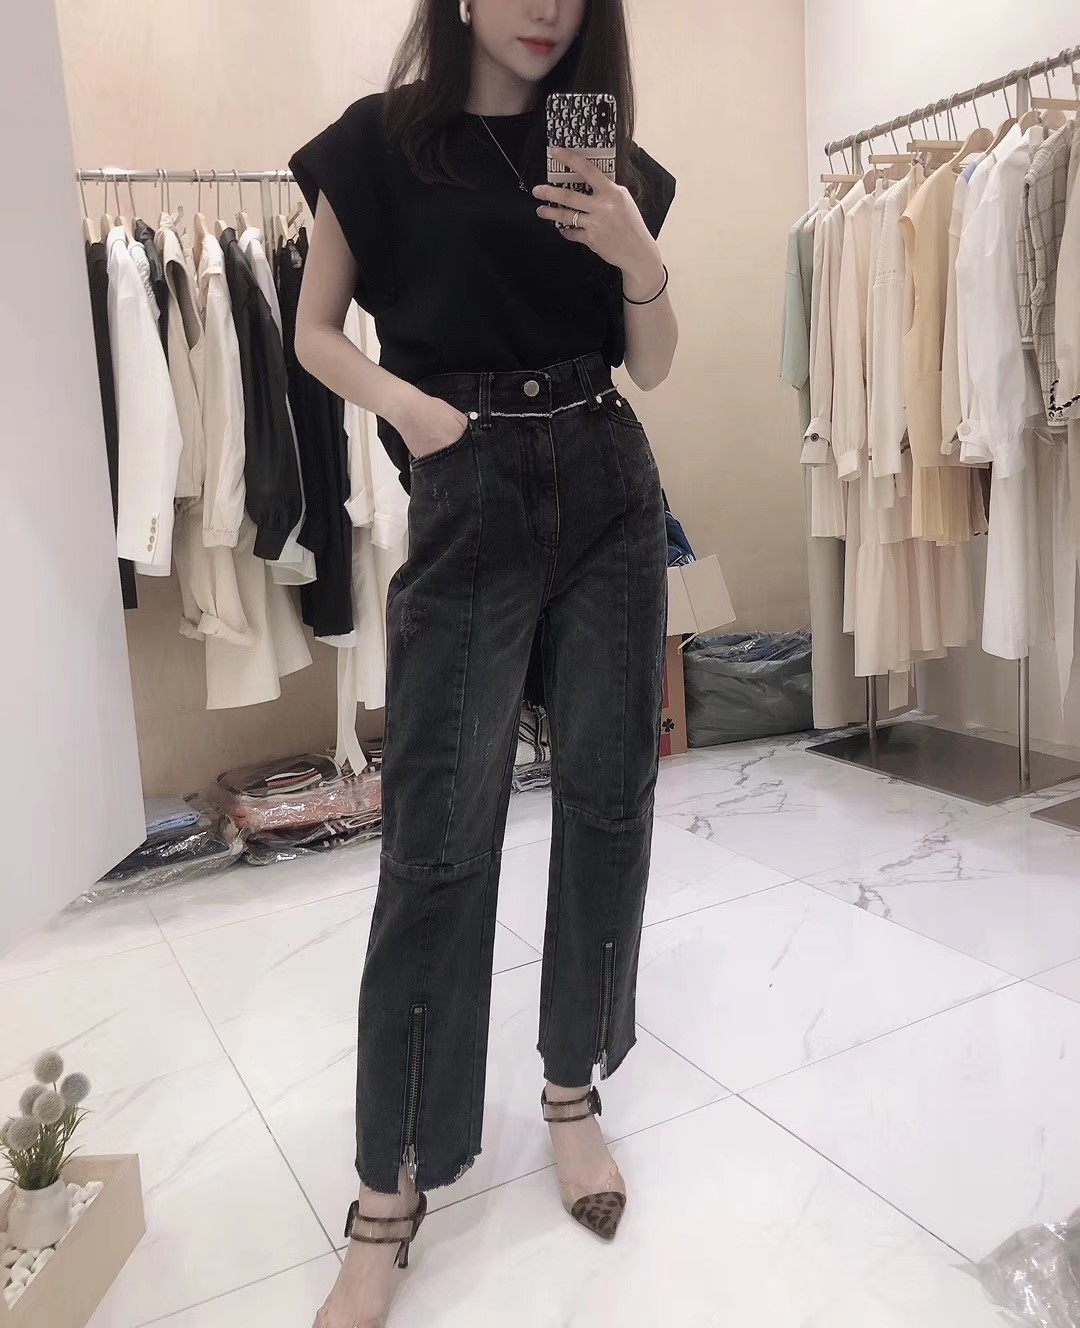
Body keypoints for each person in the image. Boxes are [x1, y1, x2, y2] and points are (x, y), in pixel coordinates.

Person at [291, 0, 676, 1322]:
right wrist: (414, 413)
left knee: (611, 803)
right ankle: (389, 1183)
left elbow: (654, 365)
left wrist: (636, 252)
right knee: (438, 843)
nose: (545, 8)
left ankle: (572, 1091)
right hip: (467, 491)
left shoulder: (605, 157)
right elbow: (314, 330)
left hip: (608, 485)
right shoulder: (380, 145)